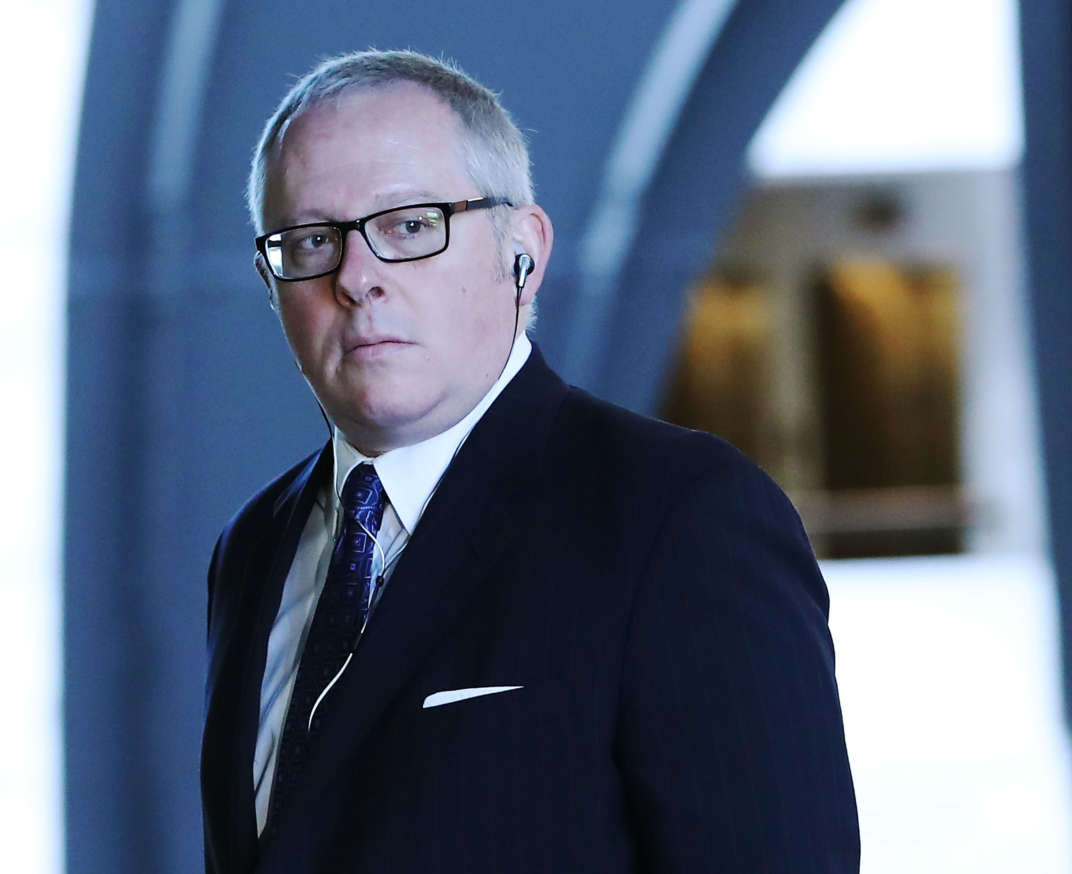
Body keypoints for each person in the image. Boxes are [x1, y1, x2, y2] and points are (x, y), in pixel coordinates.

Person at [202, 49, 859, 874]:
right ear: (273, 284)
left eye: (410, 225)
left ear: (523, 251)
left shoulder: (679, 515)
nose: (358, 277)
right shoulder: (253, 547)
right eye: (311, 240)